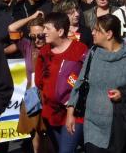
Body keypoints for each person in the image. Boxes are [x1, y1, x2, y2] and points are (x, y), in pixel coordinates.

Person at [66, 14, 126, 153]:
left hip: (121, 128)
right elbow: (80, 83)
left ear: (109, 34)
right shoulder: (93, 54)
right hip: (92, 126)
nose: (92, 32)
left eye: (97, 30)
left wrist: (124, 94)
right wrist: (70, 112)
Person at [35, 12, 88, 153]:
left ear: (60, 31)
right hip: (51, 113)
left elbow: (86, 81)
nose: (43, 32)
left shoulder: (80, 49)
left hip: (74, 114)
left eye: (47, 28)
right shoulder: (44, 51)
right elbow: (39, 81)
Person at [13, 17, 51, 153]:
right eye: (33, 36)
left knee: (48, 134)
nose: (37, 40)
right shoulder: (27, 46)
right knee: (34, 132)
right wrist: (32, 17)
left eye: (40, 35)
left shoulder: (53, 47)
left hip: (48, 94)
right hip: (32, 94)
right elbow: (12, 29)